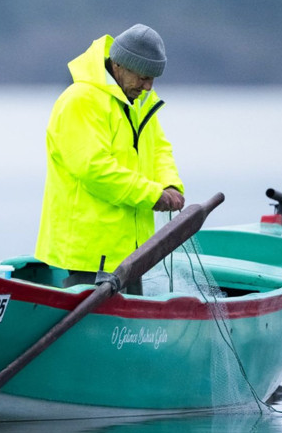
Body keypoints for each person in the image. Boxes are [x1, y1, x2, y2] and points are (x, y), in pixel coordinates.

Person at [34, 24, 185, 295]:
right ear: (119, 65)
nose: (148, 86)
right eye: (143, 77)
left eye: (153, 78)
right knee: (91, 318)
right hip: (90, 253)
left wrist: (170, 184)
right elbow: (94, 169)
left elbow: (159, 149)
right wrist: (152, 195)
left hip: (131, 253)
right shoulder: (80, 101)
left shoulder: (139, 101)